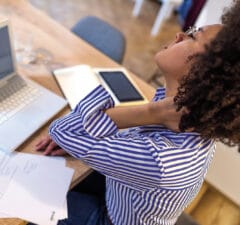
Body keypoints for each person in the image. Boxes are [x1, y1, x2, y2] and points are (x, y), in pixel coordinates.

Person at [35, 0, 240, 224]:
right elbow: (75, 135)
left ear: (207, 76)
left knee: (33, 193)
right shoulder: (185, 114)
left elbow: (60, 130)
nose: (180, 34)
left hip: (109, 219)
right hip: (120, 194)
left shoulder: (162, 158)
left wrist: (153, 111)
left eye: (193, 36)